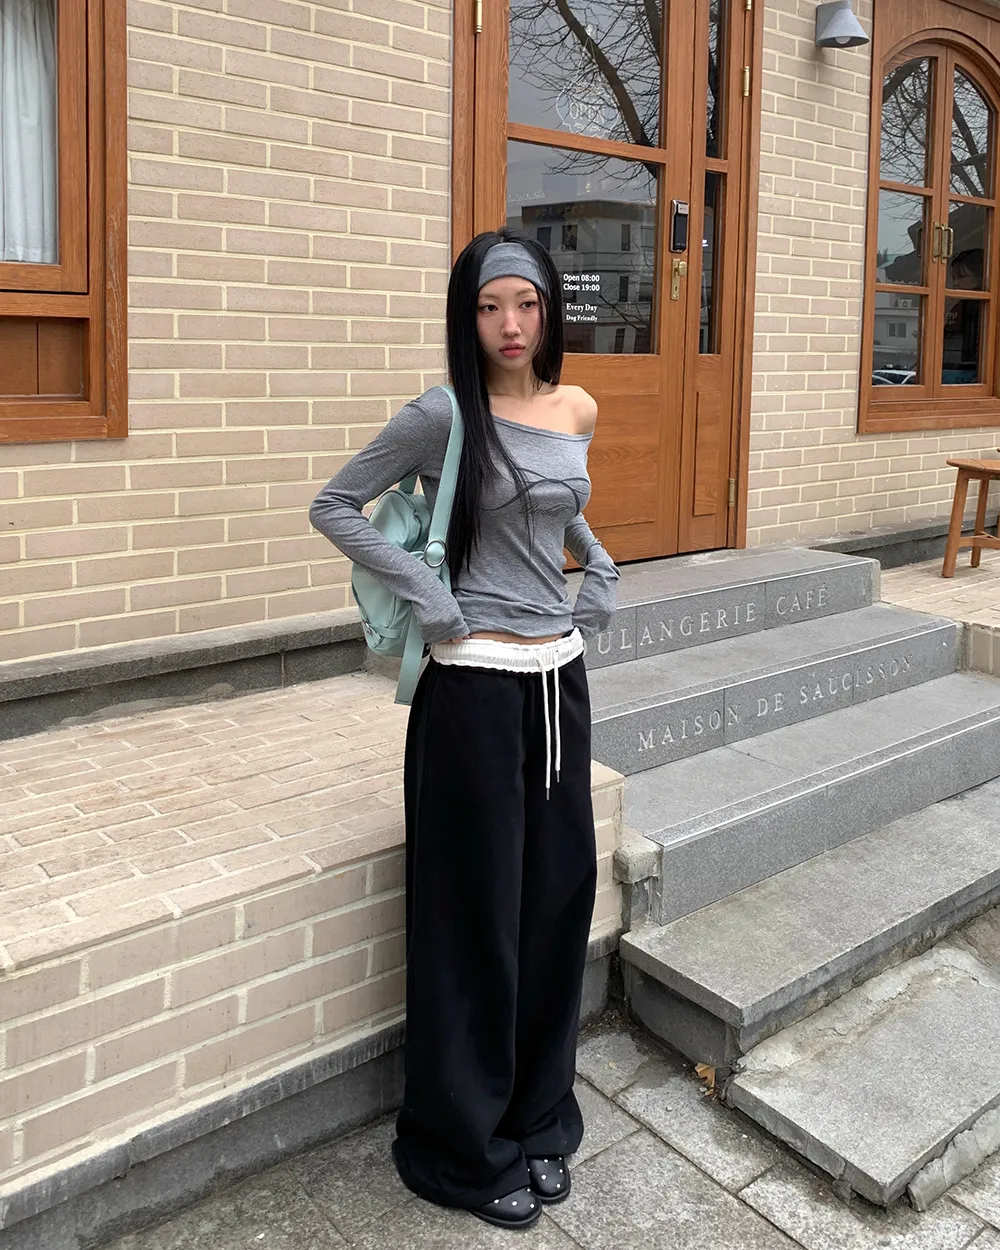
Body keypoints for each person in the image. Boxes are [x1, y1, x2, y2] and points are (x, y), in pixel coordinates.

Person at [309, 227, 619, 1230]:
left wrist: (599, 560)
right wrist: (429, 597)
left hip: (558, 682)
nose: (509, 324)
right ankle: (458, 1146)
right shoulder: (444, 413)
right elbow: (335, 505)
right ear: (467, 316)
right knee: (473, 918)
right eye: (489, 307)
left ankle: (539, 1117)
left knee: (555, 905)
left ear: (548, 309)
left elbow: (552, 505)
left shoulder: (575, 407)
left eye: (525, 303)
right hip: (474, 689)